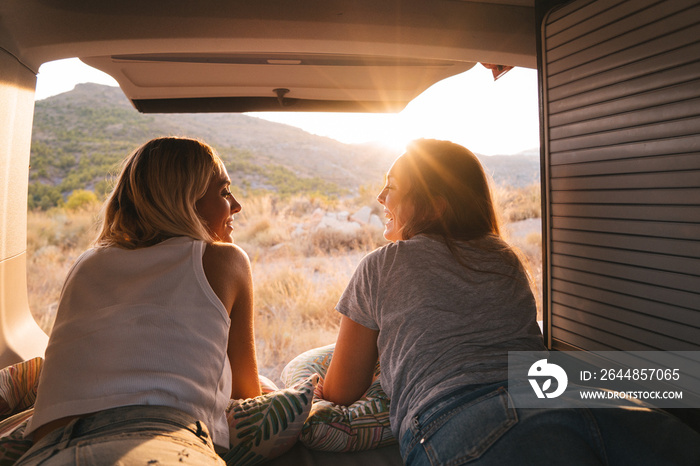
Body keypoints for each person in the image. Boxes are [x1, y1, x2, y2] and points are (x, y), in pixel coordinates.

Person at [322, 139, 700, 465]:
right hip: (582, 397)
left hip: (468, 418)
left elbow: (341, 390)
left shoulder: (381, 265)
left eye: (392, 186)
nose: (380, 197)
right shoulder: (504, 257)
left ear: (435, 207)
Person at [18, 137, 261, 465]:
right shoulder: (225, 261)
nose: (236, 205)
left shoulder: (87, 263)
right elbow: (247, 395)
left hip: (53, 449)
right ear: (185, 200)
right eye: (223, 191)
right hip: (163, 440)